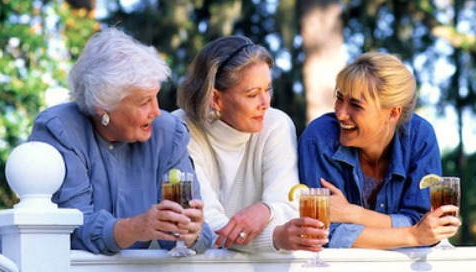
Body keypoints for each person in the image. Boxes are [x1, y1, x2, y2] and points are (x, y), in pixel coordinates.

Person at [0, 27, 211, 255]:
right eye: (144, 102)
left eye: (156, 96)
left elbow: (196, 237)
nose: (156, 111)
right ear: (104, 106)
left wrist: (191, 233)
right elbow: (74, 228)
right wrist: (137, 228)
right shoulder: (59, 130)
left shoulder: (168, 134)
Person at [173, 35, 328, 253]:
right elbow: (205, 224)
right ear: (215, 99)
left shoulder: (276, 124)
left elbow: (288, 208)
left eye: (268, 89)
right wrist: (275, 238)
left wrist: (266, 210)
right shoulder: (179, 130)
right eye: (253, 94)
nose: (265, 104)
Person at [298, 52, 461, 249]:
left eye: (356, 105)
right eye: (339, 99)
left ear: (393, 113)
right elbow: (322, 233)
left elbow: (425, 223)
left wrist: (352, 214)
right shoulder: (319, 139)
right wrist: (413, 235)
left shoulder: (420, 137)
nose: (340, 113)